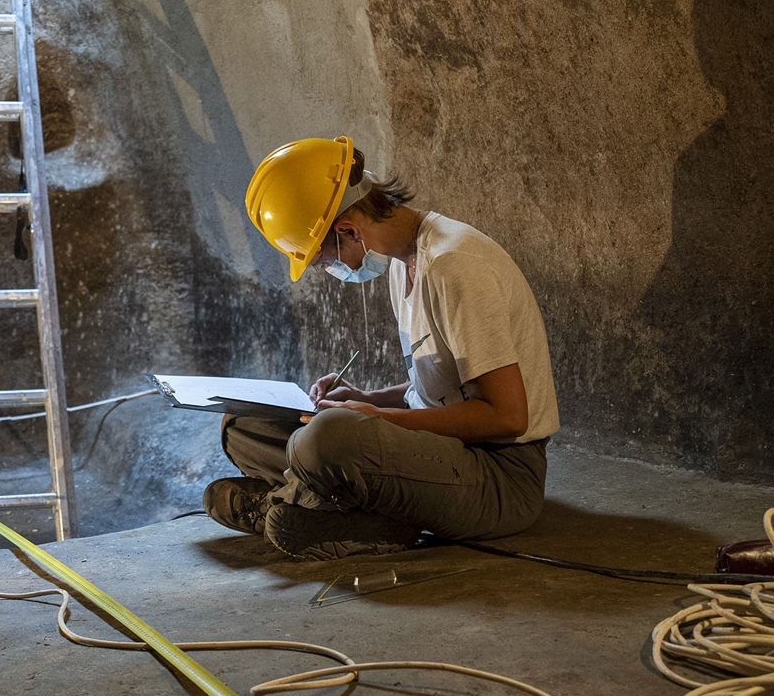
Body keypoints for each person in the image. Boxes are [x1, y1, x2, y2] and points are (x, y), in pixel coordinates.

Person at [206, 136, 560, 559]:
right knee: (242, 422)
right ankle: (318, 504)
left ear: (349, 231)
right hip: (443, 455)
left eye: (323, 260)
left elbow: (506, 417)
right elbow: (443, 390)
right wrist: (367, 399)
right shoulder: (404, 261)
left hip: (499, 478)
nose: (331, 270)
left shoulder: (454, 266)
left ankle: (287, 506)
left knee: (325, 440)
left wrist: (377, 419)